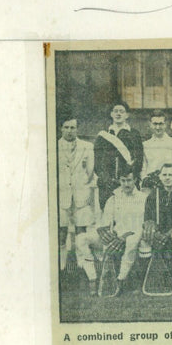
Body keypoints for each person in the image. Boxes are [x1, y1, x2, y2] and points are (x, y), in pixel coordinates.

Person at [87, 166, 150, 296]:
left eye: (129, 180)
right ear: (119, 181)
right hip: (118, 234)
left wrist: (126, 235)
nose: (126, 184)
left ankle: (121, 281)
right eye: (123, 181)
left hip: (137, 232)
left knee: (131, 242)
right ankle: (98, 281)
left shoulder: (143, 198)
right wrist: (111, 236)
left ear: (135, 180)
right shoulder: (113, 198)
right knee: (84, 240)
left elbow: (144, 221)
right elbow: (105, 222)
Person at [142, 164, 172, 294]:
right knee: (144, 238)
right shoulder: (154, 194)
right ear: (160, 176)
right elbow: (148, 216)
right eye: (164, 175)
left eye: (170, 175)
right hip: (160, 232)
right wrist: (152, 228)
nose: (167, 178)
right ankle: (145, 281)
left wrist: (168, 233)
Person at [57, 117, 96, 273]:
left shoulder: (87, 146)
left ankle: (82, 265)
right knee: (62, 231)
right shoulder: (55, 145)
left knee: (81, 231)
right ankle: (61, 265)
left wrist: (86, 190)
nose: (69, 130)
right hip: (61, 195)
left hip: (81, 195)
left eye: (73, 127)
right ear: (61, 128)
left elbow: (91, 172)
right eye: (66, 127)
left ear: (77, 129)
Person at [94, 101, 144, 210]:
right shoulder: (103, 136)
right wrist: (107, 179)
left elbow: (139, 159)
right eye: (115, 111)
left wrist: (129, 176)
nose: (118, 114)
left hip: (128, 183)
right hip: (107, 183)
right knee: (109, 216)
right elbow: (97, 162)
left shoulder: (134, 134)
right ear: (111, 114)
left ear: (127, 115)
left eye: (121, 111)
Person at [141, 110, 172, 188]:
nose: (158, 127)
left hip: (170, 185)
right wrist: (146, 181)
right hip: (151, 185)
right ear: (150, 124)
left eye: (161, 124)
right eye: (155, 124)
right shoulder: (145, 145)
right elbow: (143, 168)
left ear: (166, 124)